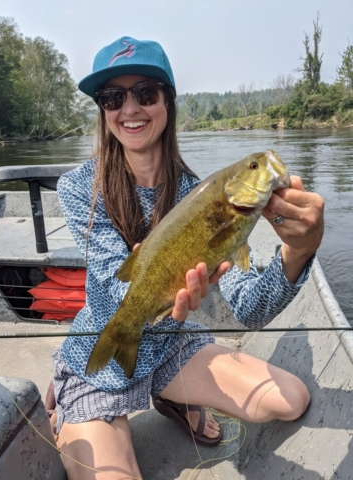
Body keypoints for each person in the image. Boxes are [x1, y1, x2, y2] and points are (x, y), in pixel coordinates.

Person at [50, 36, 324, 479]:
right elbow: (116, 283)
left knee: (291, 399)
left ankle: (172, 396)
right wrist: (163, 283)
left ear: (167, 101)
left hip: (168, 345)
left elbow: (250, 309)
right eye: (113, 97)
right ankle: (67, 390)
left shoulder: (200, 196)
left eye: (145, 93)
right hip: (101, 353)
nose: (130, 109)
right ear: (103, 110)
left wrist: (300, 250)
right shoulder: (80, 187)